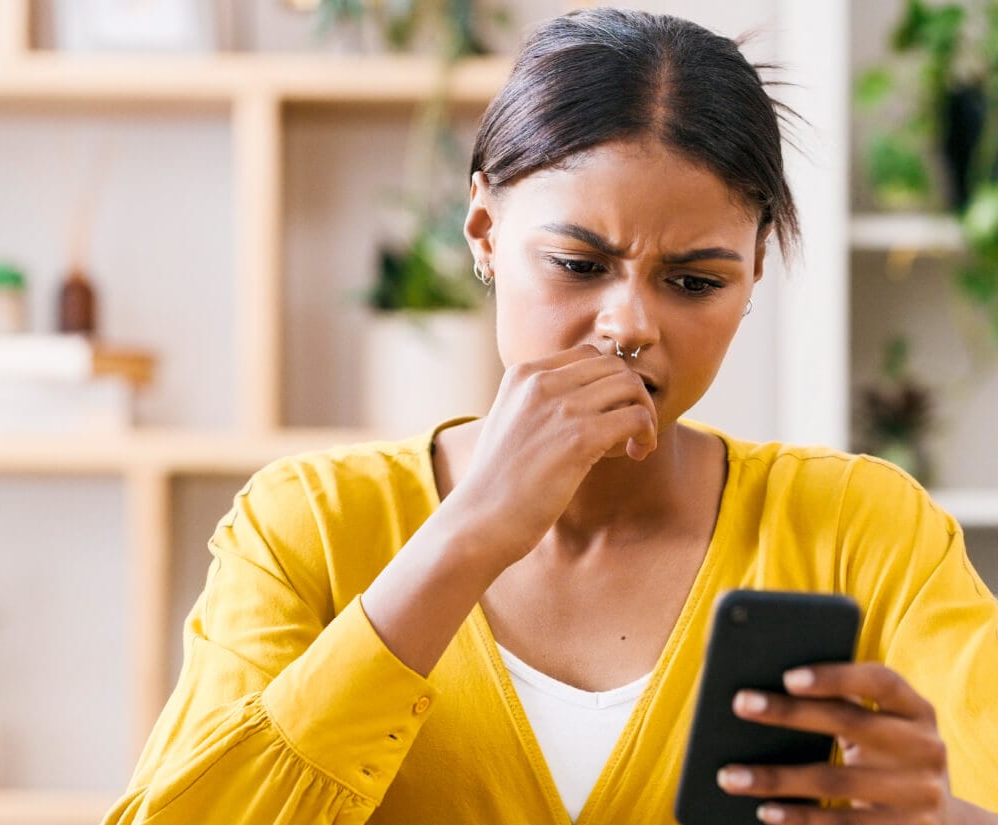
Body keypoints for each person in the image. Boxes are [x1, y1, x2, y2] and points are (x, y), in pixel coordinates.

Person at [108, 8, 998, 824]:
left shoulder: (863, 530)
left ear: (755, 273)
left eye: (695, 281)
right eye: (578, 263)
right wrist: (464, 538)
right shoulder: (309, 525)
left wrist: (945, 819)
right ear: (485, 232)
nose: (630, 324)